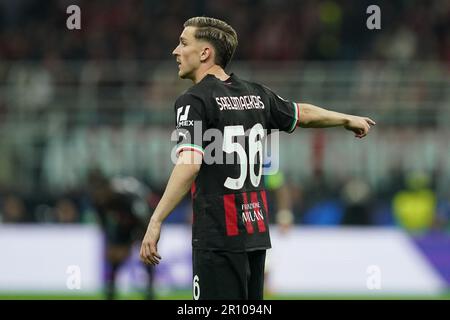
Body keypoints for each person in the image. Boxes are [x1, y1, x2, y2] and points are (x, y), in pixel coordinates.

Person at [139, 16, 376, 300]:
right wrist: (345, 119)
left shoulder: (194, 101)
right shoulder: (257, 95)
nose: (175, 51)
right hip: (255, 235)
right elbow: (301, 113)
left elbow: (189, 163)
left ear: (205, 53)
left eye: (183, 43)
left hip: (218, 237)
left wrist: (155, 220)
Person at [87, 169, 155, 300]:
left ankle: (149, 291)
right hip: (123, 223)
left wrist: (140, 238)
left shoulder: (125, 196)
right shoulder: (97, 201)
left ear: (107, 189)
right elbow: (104, 224)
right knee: (114, 258)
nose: (99, 198)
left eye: (101, 194)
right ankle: (111, 291)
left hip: (141, 221)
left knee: (147, 254)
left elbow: (143, 217)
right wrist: (112, 243)